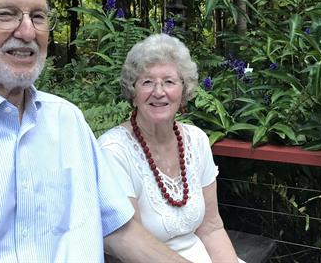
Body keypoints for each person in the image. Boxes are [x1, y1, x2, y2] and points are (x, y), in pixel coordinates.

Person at [0, 0, 188, 262]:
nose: (28, 32)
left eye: (38, 16)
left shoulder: (66, 119)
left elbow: (121, 231)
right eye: (6, 15)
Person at [98, 34, 242, 263]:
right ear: (133, 93)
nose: (158, 91)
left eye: (169, 81)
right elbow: (131, 243)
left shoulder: (196, 140)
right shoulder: (113, 151)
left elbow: (212, 228)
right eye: (147, 82)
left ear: (183, 92)